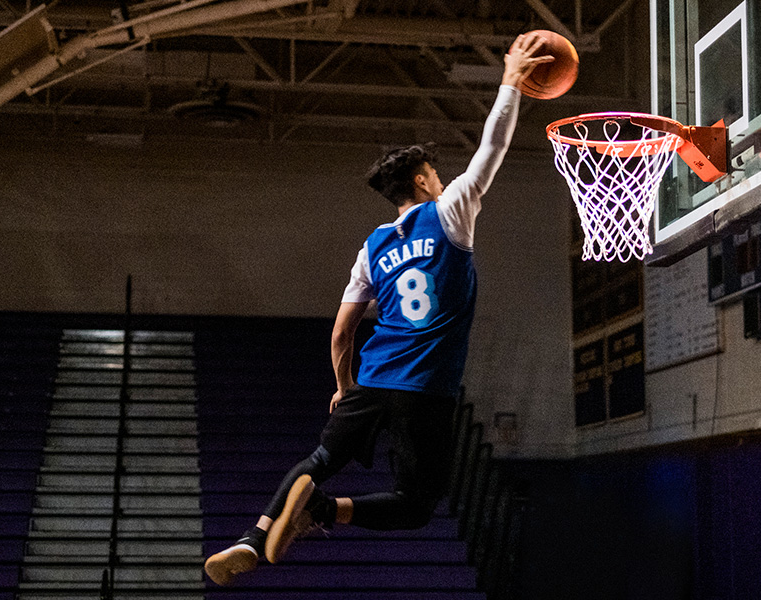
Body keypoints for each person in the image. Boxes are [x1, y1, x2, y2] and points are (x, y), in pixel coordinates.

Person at [204, 32, 553, 586]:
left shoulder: (373, 246)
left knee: (320, 459)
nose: (442, 180)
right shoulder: (451, 214)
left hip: (372, 375)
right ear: (423, 180)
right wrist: (510, 83)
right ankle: (321, 511)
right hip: (425, 387)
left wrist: (344, 386)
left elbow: (343, 332)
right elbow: (492, 149)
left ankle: (254, 534)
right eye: (435, 174)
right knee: (416, 506)